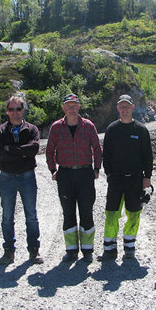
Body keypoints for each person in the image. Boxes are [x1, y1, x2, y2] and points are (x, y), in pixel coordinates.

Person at [46, 93, 102, 263]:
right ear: (63, 107)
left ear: (79, 107)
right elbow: (49, 150)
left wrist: (97, 168)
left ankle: (87, 250)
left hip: (85, 174)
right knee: (68, 212)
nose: (71, 108)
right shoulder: (56, 127)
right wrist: (52, 170)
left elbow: (97, 149)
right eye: (68, 105)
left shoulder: (88, 126)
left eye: (74, 105)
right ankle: (71, 251)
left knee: (86, 211)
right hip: (65, 175)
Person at [97, 94, 153, 261]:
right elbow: (105, 154)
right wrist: (109, 174)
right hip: (116, 180)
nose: (124, 109)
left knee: (134, 213)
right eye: (121, 106)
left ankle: (129, 246)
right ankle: (109, 249)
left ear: (132, 107)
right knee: (112, 214)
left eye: (127, 106)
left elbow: (147, 155)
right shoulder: (112, 129)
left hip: (135, 180)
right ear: (118, 108)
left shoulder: (141, 130)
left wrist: (147, 177)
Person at [0, 96, 43, 265]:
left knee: (31, 215)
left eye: (18, 109)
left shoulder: (32, 129)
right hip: (7, 177)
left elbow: (34, 149)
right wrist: (22, 152)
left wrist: (11, 149)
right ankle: (8, 251)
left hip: (27, 176)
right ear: (7, 111)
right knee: (7, 216)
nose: (15, 113)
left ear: (23, 110)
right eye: (11, 109)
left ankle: (34, 251)